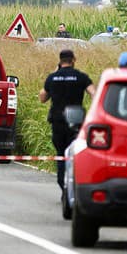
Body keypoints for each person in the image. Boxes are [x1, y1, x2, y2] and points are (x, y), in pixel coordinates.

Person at [39, 49, 95, 190]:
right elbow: (94, 93)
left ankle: (62, 182)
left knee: (61, 153)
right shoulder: (81, 77)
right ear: (73, 60)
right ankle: (74, 183)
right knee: (76, 153)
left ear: (60, 60)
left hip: (58, 122)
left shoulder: (53, 78)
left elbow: (42, 98)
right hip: (76, 122)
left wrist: (55, 72)